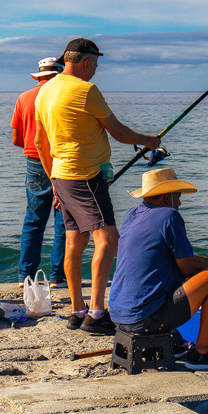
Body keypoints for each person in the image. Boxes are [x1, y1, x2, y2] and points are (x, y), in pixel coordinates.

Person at [31, 37, 160, 335]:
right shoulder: (86, 90)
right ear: (87, 62)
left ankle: (77, 310)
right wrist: (149, 140)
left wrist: (54, 184)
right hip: (86, 176)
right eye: (96, 65)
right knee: (109, 239)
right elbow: (118, 131)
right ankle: (96, 313)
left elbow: (40, 142)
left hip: (62, 176)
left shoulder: (45, 91)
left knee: (75, 242)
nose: (95, 70)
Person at [109, 167, 208, 372]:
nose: (179, 203)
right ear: (166, 197)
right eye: (178, 197)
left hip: (120, 317)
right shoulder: (170, 215)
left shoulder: (132, 215)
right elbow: (187, 267)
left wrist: (206, 260)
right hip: (145, 318)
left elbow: (168, 255)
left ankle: (175, 341)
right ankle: (202, 353)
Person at [11, 56, 67, 289]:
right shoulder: (61, 96)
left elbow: (17, 138)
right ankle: (57, 276)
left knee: (33, 221)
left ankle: (26, 276)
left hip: (34, 163)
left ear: (39, 76)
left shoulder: (24, 97)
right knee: (63, 222)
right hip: (61, 163)